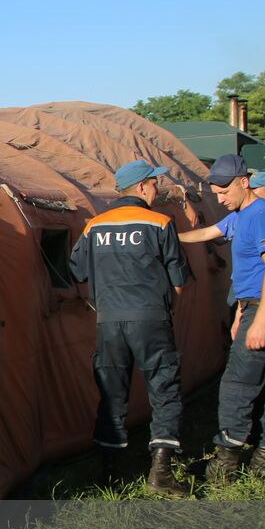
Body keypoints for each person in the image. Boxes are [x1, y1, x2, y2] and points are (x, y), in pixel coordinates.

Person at [69, 159, 191, 496]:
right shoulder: (159, 222)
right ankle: (162, 472)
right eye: (154, 184)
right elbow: (178, 280)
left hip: (109, 322)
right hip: (151, 317)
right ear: (140, 187)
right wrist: (168, 310)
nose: (157, 189)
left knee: (112, 394)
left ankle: (109, 474)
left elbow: (77, 270)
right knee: (164, 388)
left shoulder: (94, 226)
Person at [200, 156, 265, 482]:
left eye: (224, 191)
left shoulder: (264, 215)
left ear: (244, 182)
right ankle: (264, 457)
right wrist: (168, 233)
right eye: (215, 193)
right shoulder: (241, 215)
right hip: (251, 305)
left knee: (237, 384)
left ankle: (225, 462)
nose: (220, 198)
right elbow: (209, 233)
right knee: (264, 379)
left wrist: (260, 320)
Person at [178, 170, 265, 320]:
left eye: (255, 188)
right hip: (241, 289)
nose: (250, 191)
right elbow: (207, 234)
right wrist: (172, 236)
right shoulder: (240, 215)